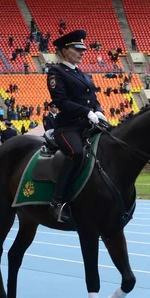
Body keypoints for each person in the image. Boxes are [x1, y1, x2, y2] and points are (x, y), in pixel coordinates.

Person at [46, 29, 106, 222]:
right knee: (76, 153)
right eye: (77, 49)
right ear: (64, 50)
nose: (82, 52)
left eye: (83, 49)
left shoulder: (82, 74)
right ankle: (58, 202)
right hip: (68, 127)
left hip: (88, 125)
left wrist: (98, 111)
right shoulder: (56, 73)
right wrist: (86, 112)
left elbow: (93, 99)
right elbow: (61, 101)